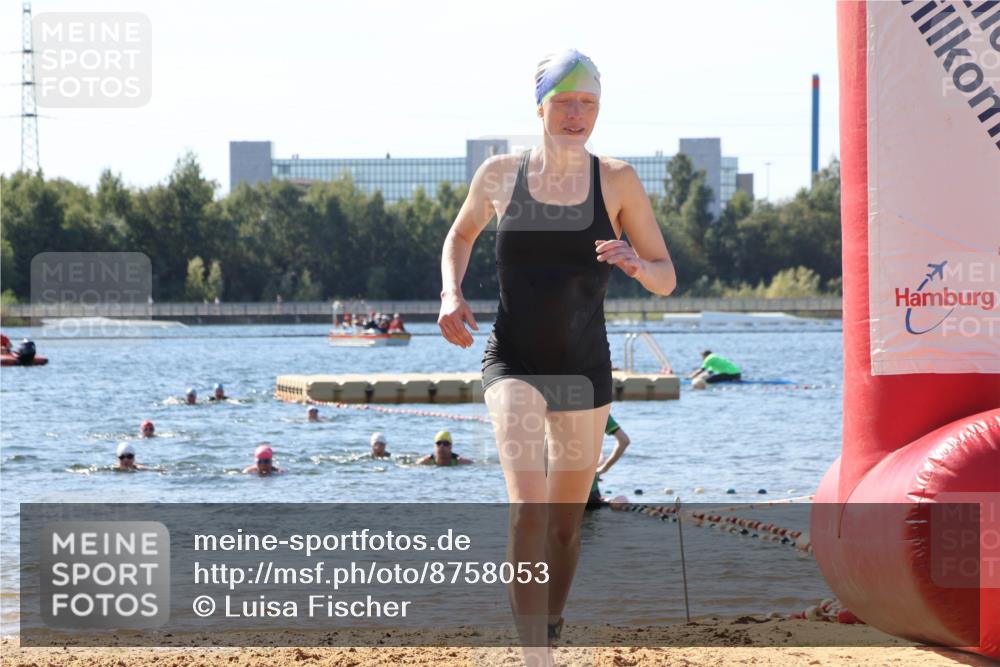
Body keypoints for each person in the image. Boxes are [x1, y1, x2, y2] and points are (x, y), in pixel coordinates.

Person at [437, 48, 675, 660]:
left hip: (584, 368)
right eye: (564, 101)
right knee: (529, 507)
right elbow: (461, 234)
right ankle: (532, 653)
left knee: (567, 526)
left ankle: (551, 627)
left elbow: (666, 276)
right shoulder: (499, 175)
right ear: (539, 105)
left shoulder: (616, 179)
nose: (576, 114)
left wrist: (636, 263)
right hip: (512, 360)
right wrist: (450, 292)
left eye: (588, 103)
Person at [586, 415, 631, 510]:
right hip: (589, 493)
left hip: (555, 490)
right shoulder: (599, 410)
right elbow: (624, 440)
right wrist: (604, 469)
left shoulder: (552, 405)